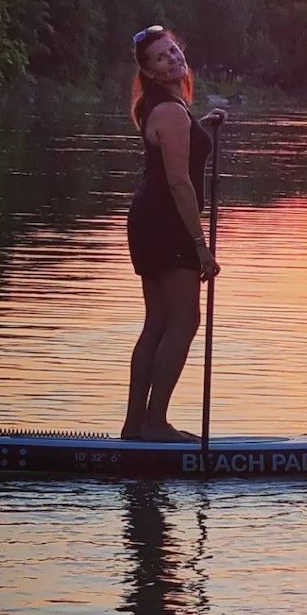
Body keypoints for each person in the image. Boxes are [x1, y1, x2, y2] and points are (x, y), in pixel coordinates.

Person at [124, 25, 226, 442]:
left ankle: (137, 426)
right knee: (184, 321)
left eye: (174, 50)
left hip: (150, 219)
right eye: (162, 57)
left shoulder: (165, 107)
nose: (173, 58)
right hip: (166, 222)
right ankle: (154, 424)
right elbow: (179, 183)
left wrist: (200, 127)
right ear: (149, 71)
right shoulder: (168, 109)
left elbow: (175, 147)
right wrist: (201, 245)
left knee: (159, 322)